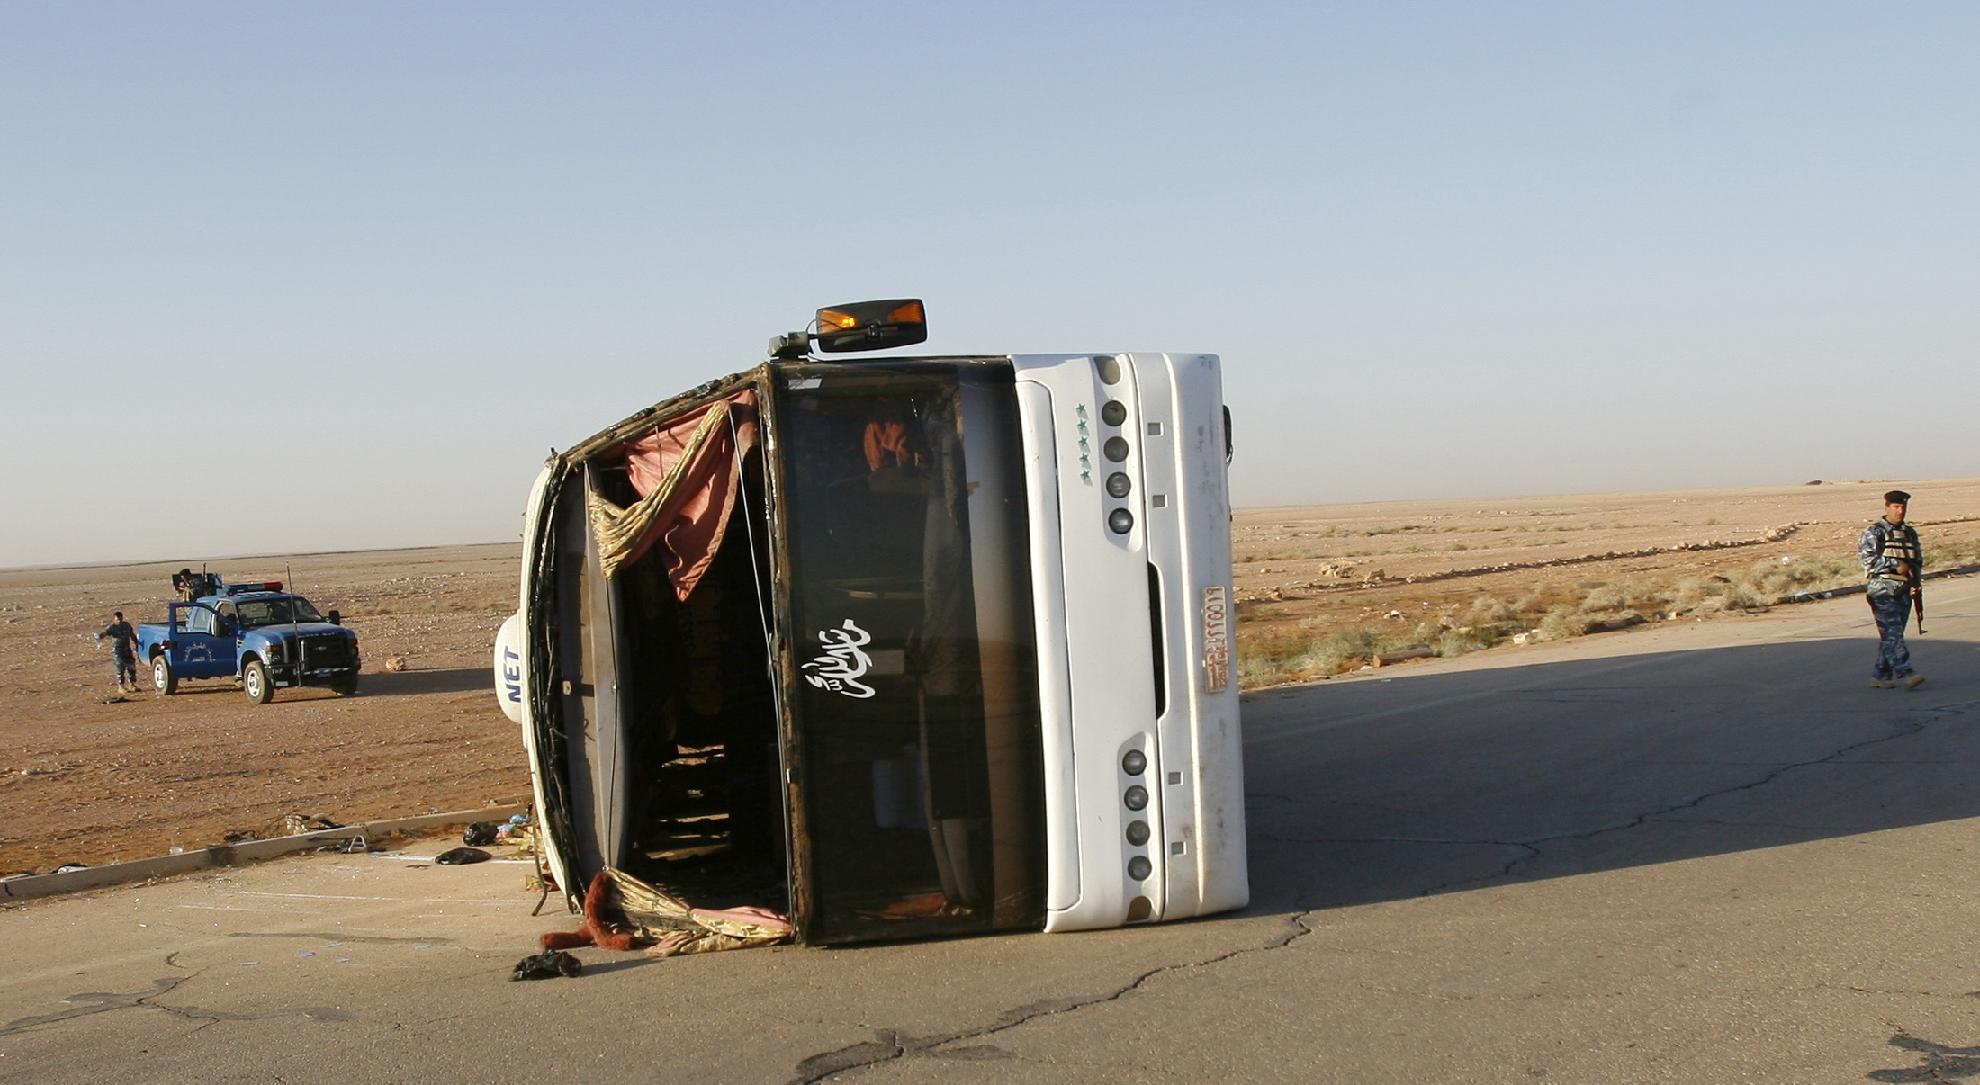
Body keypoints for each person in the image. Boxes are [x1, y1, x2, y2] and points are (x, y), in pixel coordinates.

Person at [1858, 490, 1924, 690]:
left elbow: (1916, 560)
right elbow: (1868, 560)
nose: (1900, 511)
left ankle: (1881, 675)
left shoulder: (1909, 533)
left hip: (1903, 589)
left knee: (1891, 634)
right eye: (1896, 507)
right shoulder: (1875, 532)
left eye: (1903, 507)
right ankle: (1906, 671)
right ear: (1887, 507)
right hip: (1883, 590)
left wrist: (1915, 584)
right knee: (1893, 633)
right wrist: (1895, 563)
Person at [95, 611, 141, 694]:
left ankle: (132, 684)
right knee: (120, 667)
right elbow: (105, 633)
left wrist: (137, 642)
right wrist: (99, 636)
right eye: (117, 619)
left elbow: (132, 634)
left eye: (120, 619)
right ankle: (121, 686)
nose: (119, 621)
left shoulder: (126, 625)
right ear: (114, 619)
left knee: (131, 666)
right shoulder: (112, 627)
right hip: (117, 651)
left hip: (127, 649)